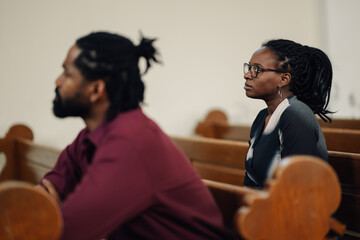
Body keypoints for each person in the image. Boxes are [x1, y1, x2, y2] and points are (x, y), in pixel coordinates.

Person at [40, 31, 229, 240]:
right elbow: (48, 192)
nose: (58, 81)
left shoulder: (130, 141)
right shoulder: (91, 137)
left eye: (67, 73)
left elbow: (68, 230)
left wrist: (47, 213)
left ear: (96, 89)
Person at [242, 39, 332, 188]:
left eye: (257, 69)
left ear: (284, 79)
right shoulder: (262, 118)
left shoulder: (295, 116)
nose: (247, 75)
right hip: (265, 206)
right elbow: (251, 181)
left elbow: (298, 188)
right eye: (249, 67)